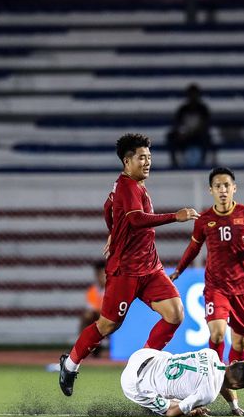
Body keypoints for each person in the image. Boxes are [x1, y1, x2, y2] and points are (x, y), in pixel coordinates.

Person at [58, 133, 200, 396]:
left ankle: (144, 366)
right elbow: (135, 219)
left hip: (151, 268)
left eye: (149, 157)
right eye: (141, 157)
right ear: (127, 161)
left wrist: (114, 230)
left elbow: (107, 207)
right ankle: (70, 364)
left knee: (175, 313)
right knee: (107, 325)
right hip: (125, 271)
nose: (147, 162)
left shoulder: (134, 186)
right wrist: (175, 217)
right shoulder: (126, 186)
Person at [170, 167, 244, 412]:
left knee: (240, 339)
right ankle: (210, 384)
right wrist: (179, 270)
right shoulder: (205, 220)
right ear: (211, 191)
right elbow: (193, 249)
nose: (223, 190)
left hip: (243, 289)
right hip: (216, 287)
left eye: (227, 185)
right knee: (216, 335)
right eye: (218, 186)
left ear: (234, 188)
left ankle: (232, 391)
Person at [121, 347, 244, 417]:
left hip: (142, 355)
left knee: (170, 360)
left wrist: (234, 406)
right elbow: (171, 412)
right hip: (133, 383)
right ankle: (187, 406)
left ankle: (184, 403)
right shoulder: (209, 394)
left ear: (234, 362)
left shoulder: (210, 353)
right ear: (238, 386)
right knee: (171, 407)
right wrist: (190, 411)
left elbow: (220, 377)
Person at [166, 83, 212, 168]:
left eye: (195, 95)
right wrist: (181, 133)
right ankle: (174, 162)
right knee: (170, 136)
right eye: (191, 95)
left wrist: (193, 132)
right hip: (185, 136)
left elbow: (205, 125)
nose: (193, 97)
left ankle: (203, 160)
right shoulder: (183, 109)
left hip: (198, 135)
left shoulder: (203, 109)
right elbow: (177, 124)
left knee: (207, 138)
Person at [79, 260, 107, 357]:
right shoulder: (92, 291)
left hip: (113, 319)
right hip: (101, 318)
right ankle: (83, 346)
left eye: (104, 274)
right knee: (87, 316)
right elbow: (92, 309)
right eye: (100, 275)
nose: (102, 278)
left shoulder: (113, 289)